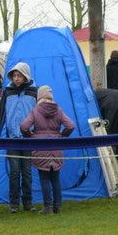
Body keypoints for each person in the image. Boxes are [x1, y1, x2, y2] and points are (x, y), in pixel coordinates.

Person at [20, 85, 75, 214]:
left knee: (44, 178)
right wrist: (62, 135)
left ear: (39, 97)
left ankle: (48, 207)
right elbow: (70, 126)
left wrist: (30, 136)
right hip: (56, 146)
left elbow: (24, 126)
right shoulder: (58, 110)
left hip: (41, 147)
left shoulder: (35, 110)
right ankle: (58, 206)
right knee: (55, 178)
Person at [0, 62, 38, 213]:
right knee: (14, 172)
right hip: (12, 139)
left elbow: (38, 115)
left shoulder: (34, 92)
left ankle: (28, 202)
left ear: (25, 76)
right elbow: (2, 114)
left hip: (28, 139)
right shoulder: (8, 92)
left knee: (27, 172)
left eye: (19, 75)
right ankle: (14, 203)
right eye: (14, 76)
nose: (16, 78)